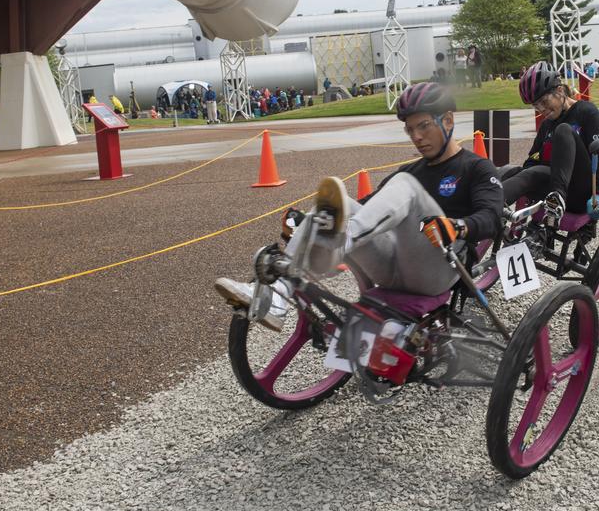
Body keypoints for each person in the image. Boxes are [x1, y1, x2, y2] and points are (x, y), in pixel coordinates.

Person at [214, 82, 504, 329]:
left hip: (440, 268)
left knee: (404, 186)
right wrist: (309, 224)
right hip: (392, 267)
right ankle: (278, 296)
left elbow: (492, 218)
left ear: (448, 121)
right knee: (331, 209)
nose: (416, 137)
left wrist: (458, 226)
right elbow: (367, 206)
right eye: (410, 129)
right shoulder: (412, 169)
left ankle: (338, 241)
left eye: (424, 126)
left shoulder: (476, 167)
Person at [499, 62, 599, 226]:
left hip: (581, 191)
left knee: (564, 130)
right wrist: (519, 178)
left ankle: (556, 198)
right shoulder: (547, 125)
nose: (541, 109)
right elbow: (532, 160)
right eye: (536, 106)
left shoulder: (588, 113)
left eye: (544, 102)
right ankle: (483, 209)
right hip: (550, 188)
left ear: (560, 91)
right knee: (511, 171)